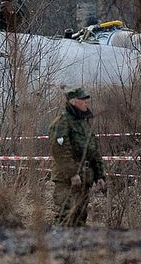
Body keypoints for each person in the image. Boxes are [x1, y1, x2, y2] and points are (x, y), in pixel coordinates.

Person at [48, 87, 106, 227]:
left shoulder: (84, 124)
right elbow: (60, 151)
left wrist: (99, 175)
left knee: (80, 217)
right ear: (73, 102)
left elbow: (93, 150)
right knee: (66, 216)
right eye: (83, 100)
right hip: (66, 180)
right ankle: (59, 247)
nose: (86, 103)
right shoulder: (62, 122)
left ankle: (78, 247)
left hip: (84, 178)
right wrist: (72, 173)